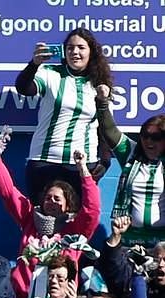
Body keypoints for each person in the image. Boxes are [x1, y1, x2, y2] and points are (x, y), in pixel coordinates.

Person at [0, 149, 100, 298]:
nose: (52, 201)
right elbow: (8, 193)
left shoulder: (76, 230)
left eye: (57, 199)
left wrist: (83, 170)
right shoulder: (30, 219)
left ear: (67, 205)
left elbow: (92, 209)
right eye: (48, 198)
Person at [14, 29, 114, 200]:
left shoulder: (99, 83)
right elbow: (24, 88)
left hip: (81, 166)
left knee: (77, 225)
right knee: (41, 223)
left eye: (81, 47)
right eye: (70, 48)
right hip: (45, 161)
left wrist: (105, 161)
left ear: (91, 52)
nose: (75, 52)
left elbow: (105, 127)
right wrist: (34, 64)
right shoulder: (51, 73)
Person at [96, 90, 165, 245]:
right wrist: (102, 102)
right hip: (131, 240)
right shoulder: (131, 153)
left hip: (163, 244)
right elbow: (109, 131)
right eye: (145, 136)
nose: (149, 142)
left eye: (156, 138)